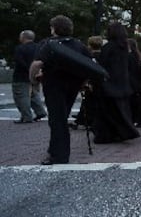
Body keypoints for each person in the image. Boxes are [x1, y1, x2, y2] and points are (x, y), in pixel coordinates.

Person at [29, 15, 91, 165]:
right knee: (62, 117)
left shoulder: (48, 43)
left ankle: (59, 155)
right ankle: (54, 150)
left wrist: (33, 80)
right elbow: (89, 64)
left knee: (57, 120)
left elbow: (36, 64)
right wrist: (84, 81)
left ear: (54, 29)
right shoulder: (78, 45)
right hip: (73, 85)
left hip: (54, 84)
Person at [93, 22, 140, 144]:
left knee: (107, 113)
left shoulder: (108, 47)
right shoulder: (124, 47)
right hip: (122, 84)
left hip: (109, 84)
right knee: (121, 112)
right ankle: (122, 133)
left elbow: (101, 65)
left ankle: (107, 135)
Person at [12, 30, 47, 124]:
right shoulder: (39, 48)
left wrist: (28, 69)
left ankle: (26, 116)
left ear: (23, 38)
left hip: (21, 76)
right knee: (33, 95)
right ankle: (40, 111)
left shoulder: (20, 48)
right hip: (35, 75)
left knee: (21, 96)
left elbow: (19, 61)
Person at [71, 36, 103, 130]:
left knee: (88, 101)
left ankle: (83, 120)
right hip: (99, 82)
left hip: (91, 82)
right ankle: (84, 119)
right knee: (92, 102)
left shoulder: (89, 56)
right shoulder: (103, 56)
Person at [128, 38, 141, 127]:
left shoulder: (129, 56)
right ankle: (139, 120)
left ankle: (134, 120)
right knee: (136, 102)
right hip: (137, 82)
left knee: (132, 103)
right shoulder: (137, 56)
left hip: (131, 82)